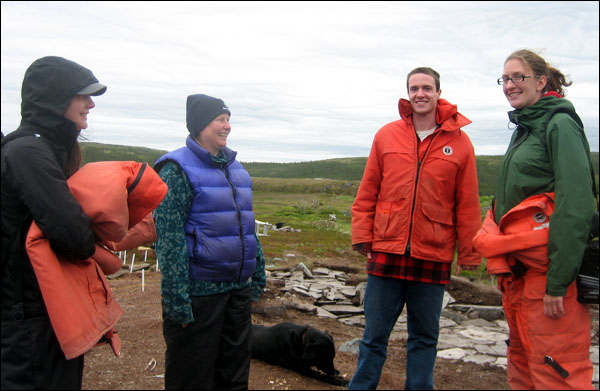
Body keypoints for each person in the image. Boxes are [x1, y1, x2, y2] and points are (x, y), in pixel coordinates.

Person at [349, 67, 482, 390]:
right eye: (414, 88)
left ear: (438, 92)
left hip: (433, 254)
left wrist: (470, 253)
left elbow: (467, 204)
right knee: (373, 336)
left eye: (426, 87)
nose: (420, 94)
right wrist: (363, 235)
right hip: (386, 251)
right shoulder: (386, 135)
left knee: (424, 338)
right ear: (408, 93)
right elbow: (368, 190)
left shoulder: (461, 144)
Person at [474, 49, 595, 389]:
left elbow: (576, 206)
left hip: (549, 282)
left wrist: (558, 282)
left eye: (519, 77)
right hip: (520, 278)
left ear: (541, 82)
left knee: (557, 372)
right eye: (505, 79)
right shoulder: (526, 126)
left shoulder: (559, 124)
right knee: (524, 368)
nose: (510, 85)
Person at [1, 56, 106, 389]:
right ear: (54, 98)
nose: (90, 104)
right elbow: (75, 236)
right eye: (82, 95)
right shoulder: (28, 153)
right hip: (26, 315)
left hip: (43, 309)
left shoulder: (45, 149)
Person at [154, 94, 266, 390]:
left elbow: (245, 227)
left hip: (237, 291)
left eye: (228, 119)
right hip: (199, 293)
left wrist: (258, 273)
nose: (227, 126)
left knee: (234, 375)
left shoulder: (236, 169)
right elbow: (169, 238)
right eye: (220, 119)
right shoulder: (176, 169)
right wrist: (176, 298)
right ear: (201, 125)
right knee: (192, 376)